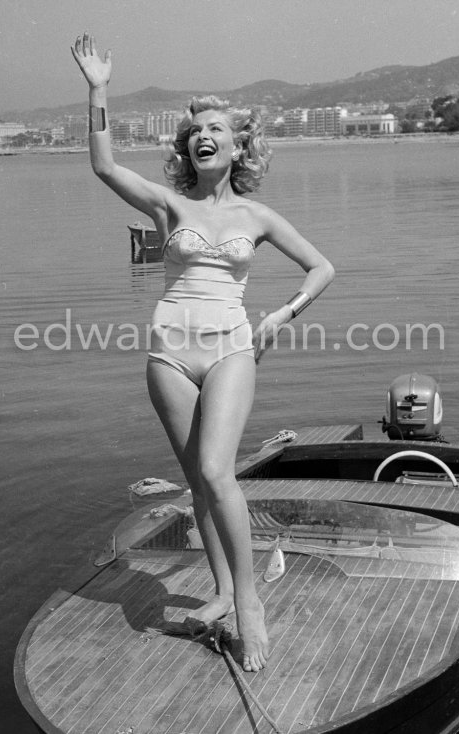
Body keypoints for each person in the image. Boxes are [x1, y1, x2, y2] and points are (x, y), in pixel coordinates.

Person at [71, 31, 335, 673]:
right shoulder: (169, 206)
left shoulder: (259, 216)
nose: (201, 135)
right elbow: (105, 167)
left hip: (230, 352)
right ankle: (218, 592)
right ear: (188, 147)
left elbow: (322, 268)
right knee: (197, 483)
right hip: (169, 355)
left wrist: (281, 314)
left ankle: (248, 605)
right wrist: (99, 89)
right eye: (194, 130)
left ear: (238, 144)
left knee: (218, 473)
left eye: (214, 126)